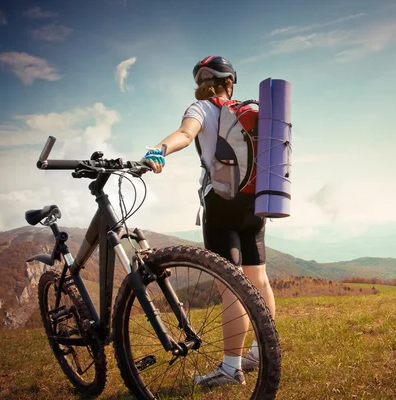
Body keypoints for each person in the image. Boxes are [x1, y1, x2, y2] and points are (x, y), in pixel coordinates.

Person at [142, 56, 276, 387]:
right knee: (258, 280)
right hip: (254, 203)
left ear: (202, 83)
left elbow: (186, 135)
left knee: (231, 286)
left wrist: (159, 150)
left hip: (221, 205)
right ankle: (262, 351)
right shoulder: (249, 113)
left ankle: (231, 368)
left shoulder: (201, 109)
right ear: (231, 81)